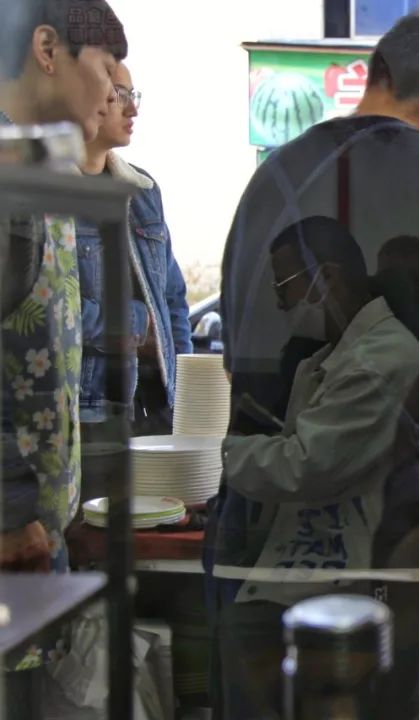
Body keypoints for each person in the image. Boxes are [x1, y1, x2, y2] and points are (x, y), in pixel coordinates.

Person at [207, 13, 419, 720]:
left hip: (255, 527)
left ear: (376, 76)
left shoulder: (272, 177)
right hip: (392, 531)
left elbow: (239, 354)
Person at [0, 0, 127, 713]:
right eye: (104, 69)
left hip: (37, 547)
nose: (112, 93)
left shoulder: (42, 174)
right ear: (47, 49)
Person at [77, 62, 191, 457]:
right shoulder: (51, 195)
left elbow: (173, 298)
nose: (132, 109)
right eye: (120, 94)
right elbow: (49, 314)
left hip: (159, 407)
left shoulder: (142, 190)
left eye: (133, 95)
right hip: (90, 410)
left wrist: (184, 386)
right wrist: (137, 324)